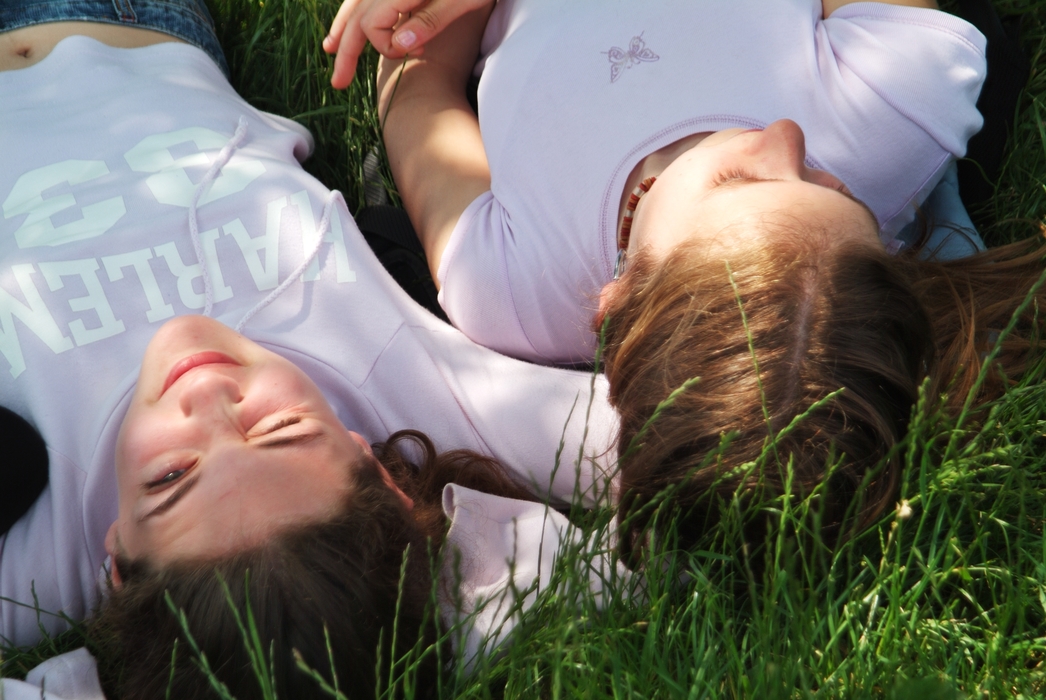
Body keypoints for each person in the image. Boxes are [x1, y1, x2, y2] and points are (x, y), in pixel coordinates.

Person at [0, 4, 620, 696]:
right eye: (280, 428)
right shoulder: (412, 385)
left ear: (117, 565)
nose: (207, 397)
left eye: (169, 477)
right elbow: (720, 442)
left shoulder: (38, 560)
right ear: (375, 466)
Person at [325, 0, 1046, 554]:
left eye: (733, 180)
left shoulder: (508, 282)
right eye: (839, 191)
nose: (788, 138)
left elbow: (418, 90)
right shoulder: (895, 111)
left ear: (615, 302)